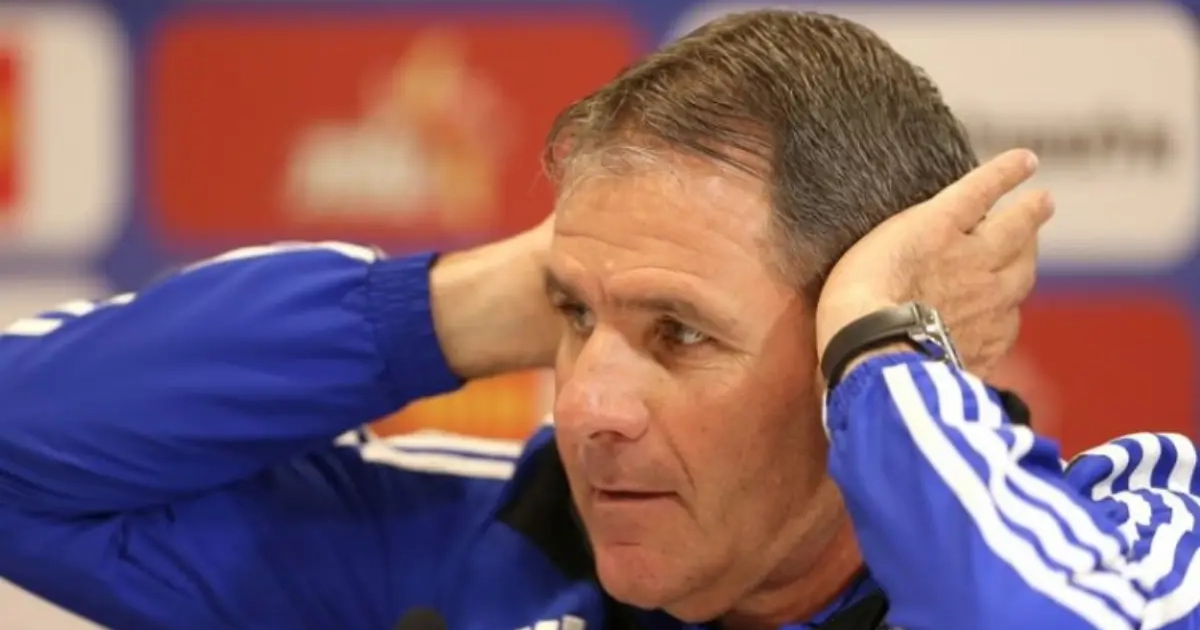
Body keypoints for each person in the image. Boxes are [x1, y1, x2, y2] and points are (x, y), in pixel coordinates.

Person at [0, 9, 1194, 630]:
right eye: (576, 316)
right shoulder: (482, 550)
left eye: (680, 333)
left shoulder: (1146, 536)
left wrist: (884, 343)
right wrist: (464, 304)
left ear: (846, 364)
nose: (587, 408)